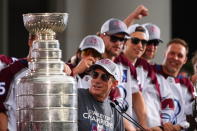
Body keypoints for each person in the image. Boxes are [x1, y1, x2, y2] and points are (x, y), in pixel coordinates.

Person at [153, 38, 195, 130]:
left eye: (180, 55)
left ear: (185, 60)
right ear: (165, 53)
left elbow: (191, 119)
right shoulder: (149, 72)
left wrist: (179, 127)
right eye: (172, 53)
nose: (175, 58)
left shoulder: (187, 84)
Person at [78, 58, 124, 131]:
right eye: (94, 75)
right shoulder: (76, 96)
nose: (97, 80)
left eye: (104, 77)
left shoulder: (115, 111)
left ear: (114, 84)